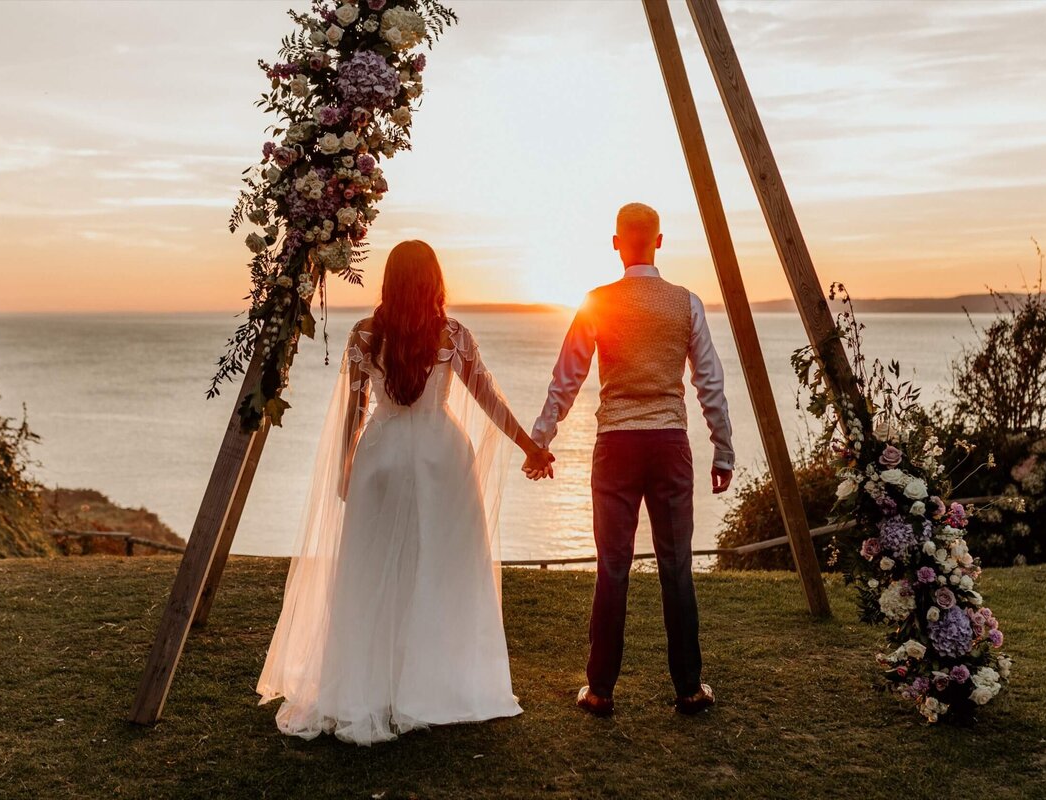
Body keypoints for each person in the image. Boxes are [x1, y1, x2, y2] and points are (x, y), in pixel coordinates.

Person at [256, 240, 554, 745]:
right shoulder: (452, 334)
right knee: (444, 570)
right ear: (434, 281)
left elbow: (353, 412)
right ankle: (437, 684)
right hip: (442, 458)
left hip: (382, 458)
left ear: (389, 280)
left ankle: (372, 684)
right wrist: (531, 447)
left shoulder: (365, 334)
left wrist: (348, 465)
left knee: (372, 570)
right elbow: (488, 399)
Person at [531, 202, 735, 716]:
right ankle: (689, 688)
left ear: (617, 242)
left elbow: (567, 378)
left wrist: (542, 437)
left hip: (617, 446)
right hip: (668, 444)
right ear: (659, 242)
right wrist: (723, 447)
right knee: (677, 567)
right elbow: (708, 380)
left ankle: (600, 690)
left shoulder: (597, 302)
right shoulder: (685, 302)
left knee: (612, 567)